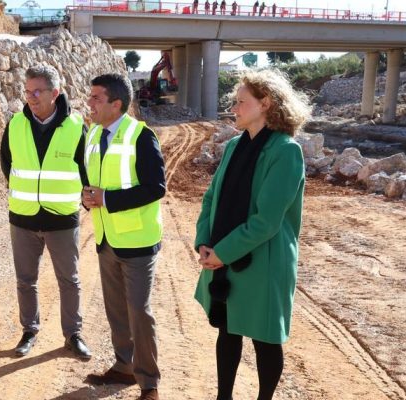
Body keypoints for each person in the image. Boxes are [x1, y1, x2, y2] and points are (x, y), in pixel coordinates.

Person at [193, 69, 310, 400]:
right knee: (228, 331)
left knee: (265, 338)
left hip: (263, 263)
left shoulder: (286, 151)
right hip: (223, 256)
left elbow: (267, 221)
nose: (235, 108)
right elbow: (211, 197)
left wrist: (221, 253)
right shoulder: (233, 146)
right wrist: (204, 243)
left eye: (242, 102)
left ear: (266, 103)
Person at [0, 64, 92, 360]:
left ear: (55, 93)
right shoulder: (15, 123)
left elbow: (86, 169)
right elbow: (7, 164)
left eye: (37, 91)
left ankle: (73, 335)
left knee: (70, 279)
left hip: (62, 218)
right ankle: (29, 331)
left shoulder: (77, 126)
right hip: (23, 217)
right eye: (27, 91)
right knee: (25, 280)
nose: (31, 97)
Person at [83, 74, 166, 400]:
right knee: (116, 308)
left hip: (138, 241)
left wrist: (108, 199)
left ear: (116, 104)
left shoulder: (141, 136)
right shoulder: (93, 134)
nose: (89, 103)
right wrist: (87, 196)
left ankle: (149, 384)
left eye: (96, 98)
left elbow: (156, 187)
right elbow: (90, 178)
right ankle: (124, 365)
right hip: (107, 237)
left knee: (138, 311)